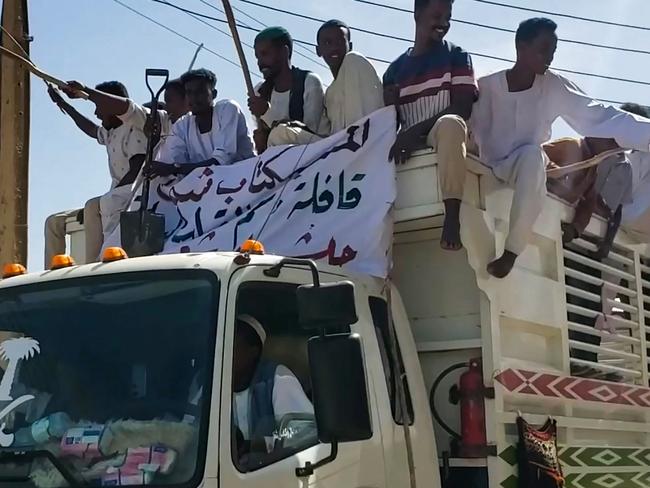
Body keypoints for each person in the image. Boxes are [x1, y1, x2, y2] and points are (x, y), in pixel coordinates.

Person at [470, 18, 650, 278]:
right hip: (486, 165)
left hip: (523, 167)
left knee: (532, 155)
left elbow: (600, 115)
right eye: (543, 50)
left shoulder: (553, 86)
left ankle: (511, 253)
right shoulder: (486, 87)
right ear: (521, 46)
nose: (549, 58)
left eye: (553, 52)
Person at [383, 0, 478, 252]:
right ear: (417, 14)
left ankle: (452, 217)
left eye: (448, 16)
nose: (444, 23)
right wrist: (389, 107)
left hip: (444, 136)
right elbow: (387, 122)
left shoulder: (457, 56)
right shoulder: (394, 70)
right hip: (410, 141)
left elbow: (462, 108)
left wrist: (412, 133)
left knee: (450, 124)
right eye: (437, 15)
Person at [45, 81, 148, 267]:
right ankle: (50, 272)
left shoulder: (134, 130)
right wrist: (63, 104)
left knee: (93, 206)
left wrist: (107, 200)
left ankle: (92, 267)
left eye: (99, 106)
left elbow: (136, 171)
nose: (96, 113)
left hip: (129, 200)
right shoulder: (110, 132)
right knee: (54, 222)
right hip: (110, 201)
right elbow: (90, 129)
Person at [232, 314, 314, 465]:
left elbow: (305, 432)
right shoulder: (205, 383)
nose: (225, 353)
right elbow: (189, 432)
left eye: (233, 345)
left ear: (253, 352)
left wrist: (258, 445)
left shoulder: (278, 378)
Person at [148, 68, 254, 178]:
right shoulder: (182, 126)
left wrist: (174, 168)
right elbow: (177, 162)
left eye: (200, 92)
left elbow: (222, 160)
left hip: (245, 181)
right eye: (189, 92)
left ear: (213, 94)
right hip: (209, 187)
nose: (193, 98)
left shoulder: (227, 109)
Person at [248, 27, 325, 152]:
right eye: (257, 57)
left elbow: (308, 134)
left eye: (265, 54)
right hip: (280, 163)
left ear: (284, 52)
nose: (259, 62)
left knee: (280, 132)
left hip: (314, 154)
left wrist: (267, 113)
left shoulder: (308, 82)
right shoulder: (259, 92)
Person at [316, 19, 384, 135]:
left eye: (339, 42)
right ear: (318, 50)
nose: (334, 48)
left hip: (368, 143)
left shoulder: (355, 63)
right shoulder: (329, 94)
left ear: (350, 45)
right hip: (341, 149)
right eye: (327, 43)